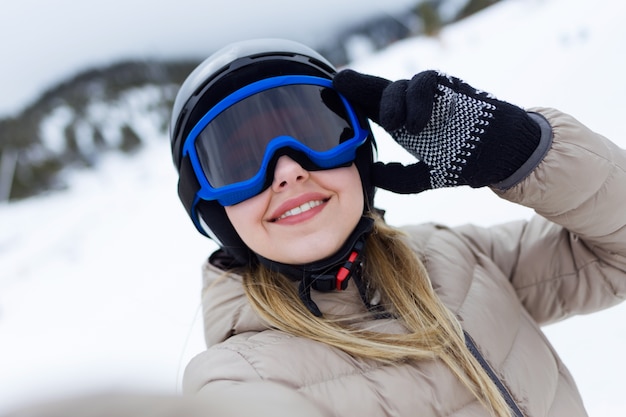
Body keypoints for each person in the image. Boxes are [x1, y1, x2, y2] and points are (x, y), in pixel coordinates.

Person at [168, 38, 626, 417]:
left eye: (315, 134)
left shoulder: (457, 258)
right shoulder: (236, 381)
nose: (287, 170)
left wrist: (523, 156)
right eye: (241, 161)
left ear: (360, 154)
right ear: (210, 207)